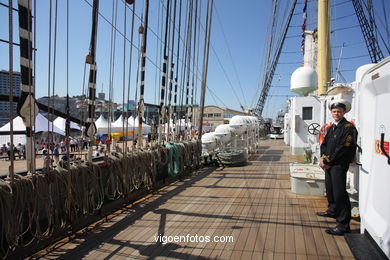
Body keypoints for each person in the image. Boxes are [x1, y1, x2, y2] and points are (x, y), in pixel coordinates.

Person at [318, 101, 358, 236]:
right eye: (334, 111)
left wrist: (329, 160)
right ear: (331, 113)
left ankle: (343, 224)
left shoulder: (348, 128)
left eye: (339, 111)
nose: (336, 113)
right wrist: (322, 158)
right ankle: (332, 210)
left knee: (340, 193)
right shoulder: (332, 128)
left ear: (344, 112)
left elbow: (344, 148)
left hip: (339, 165)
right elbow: (324, 144)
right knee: (330, 189)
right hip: (329, 164)